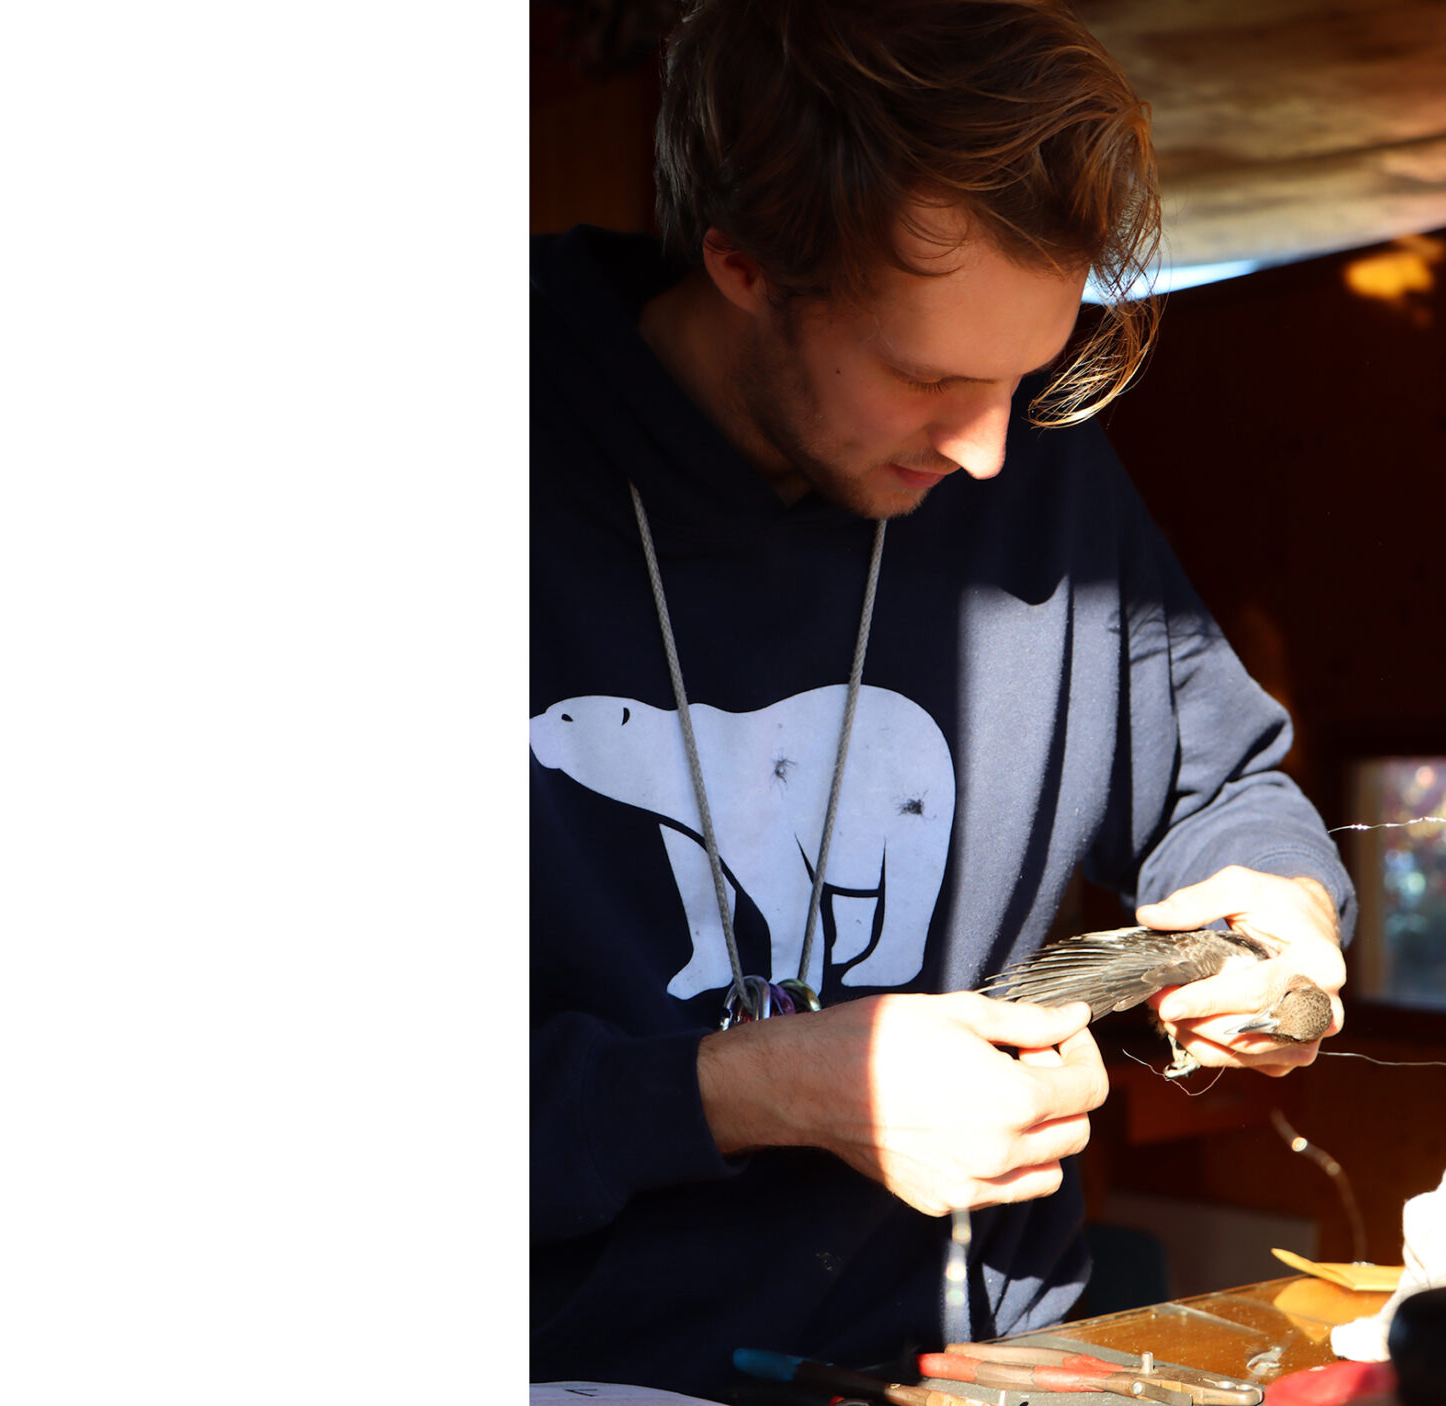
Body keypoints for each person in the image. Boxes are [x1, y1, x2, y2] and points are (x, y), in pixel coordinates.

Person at [530, 0, 1357, 1391]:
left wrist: (1274, 908)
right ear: (742, 263)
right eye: (926, 375)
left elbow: (1220, 789)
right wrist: (761, 1087)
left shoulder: (1025, 454)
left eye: (1024, 375)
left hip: (989, 1354)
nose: (987, 456)